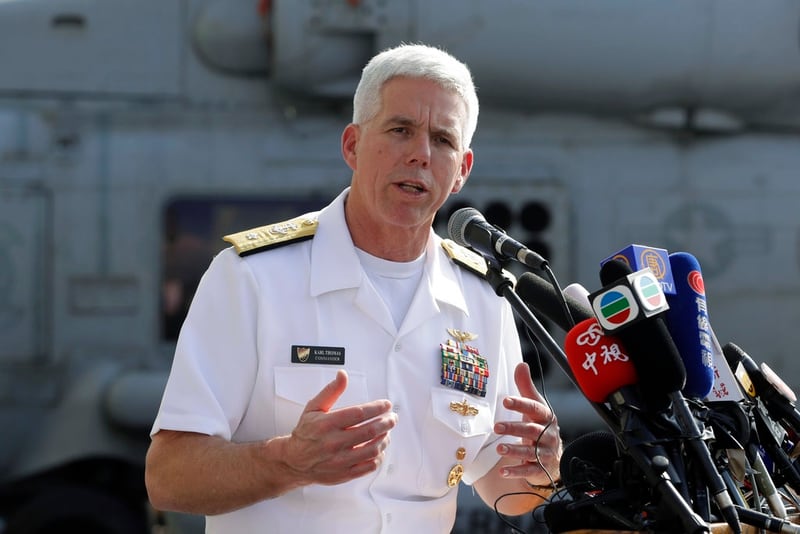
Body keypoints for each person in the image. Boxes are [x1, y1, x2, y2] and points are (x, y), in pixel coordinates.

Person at [145, 42, 563, 533]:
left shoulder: (483, 297)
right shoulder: (252, 278)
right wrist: (289, 462)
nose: (421, 155)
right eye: (400, 130)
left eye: (443, 140)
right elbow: (168, 477)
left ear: (462, 172)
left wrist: (542, 467)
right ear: (352, 145)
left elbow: (503, 490)